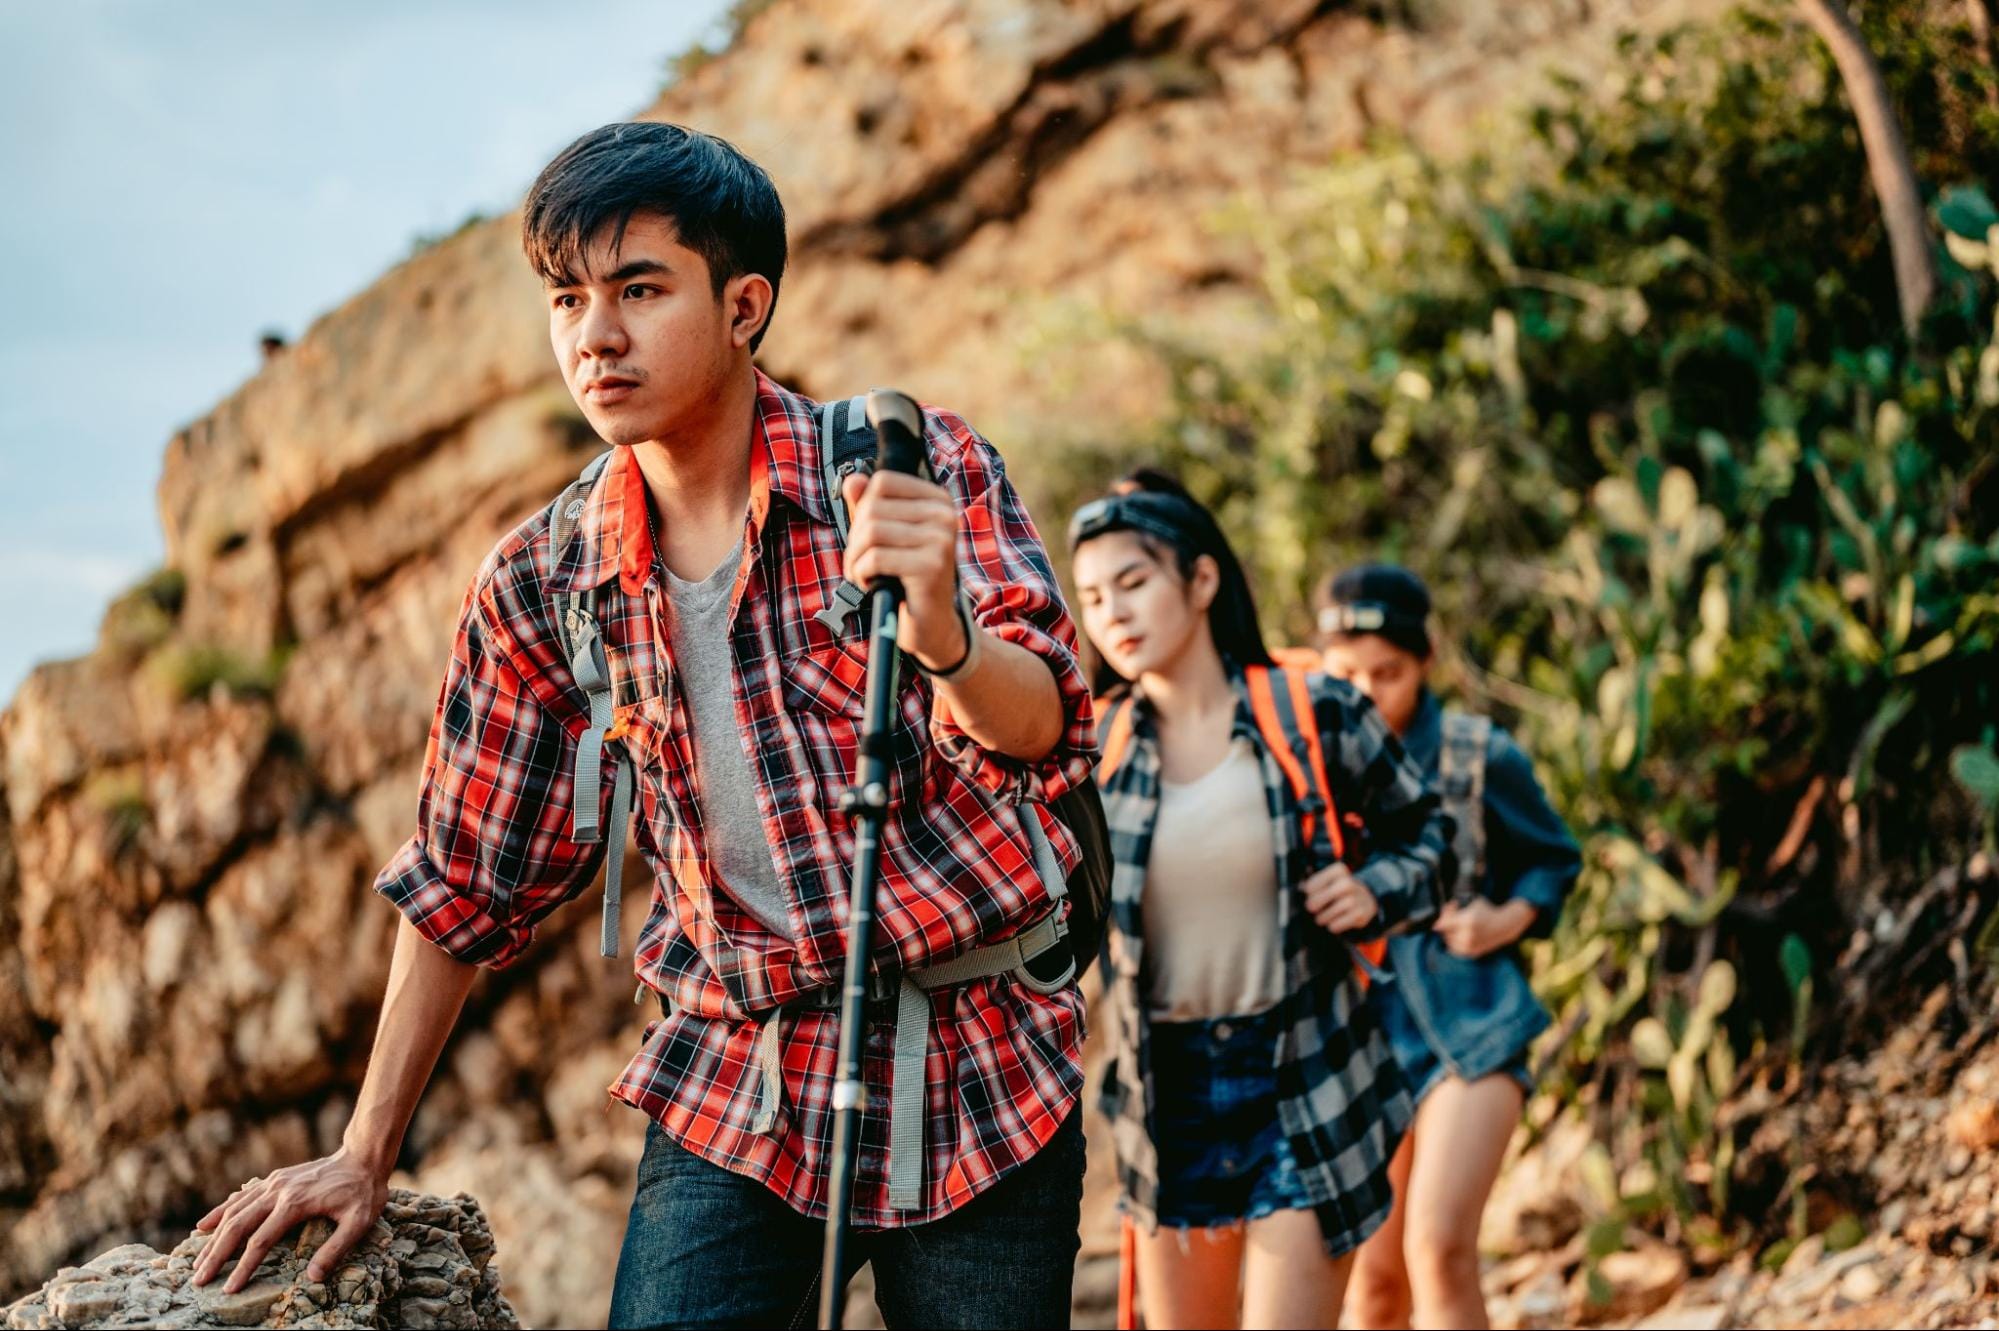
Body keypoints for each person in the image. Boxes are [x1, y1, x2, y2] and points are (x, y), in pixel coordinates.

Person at [190, 122, 1100, 1330]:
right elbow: (465, 879)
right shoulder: (544, 579)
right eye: (566, 299)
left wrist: (944, 636)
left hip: (980, 1064)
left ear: (743, 306)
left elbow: (1046, 730)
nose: (595, 336)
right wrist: (363, 1151)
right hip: (739, 1081)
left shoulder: (906, 465)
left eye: (639, 289)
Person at [1067, 472, 1454, 1331]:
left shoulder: (1313, 712)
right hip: (1166, 1097)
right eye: (1091, 597)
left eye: (1133, 581)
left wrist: (1372, 888)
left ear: (1201, 579)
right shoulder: (1094, 747)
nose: (1112, 613)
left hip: (1304, 1074)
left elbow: (1434, 839)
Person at [1320, 565, 1582, 1331]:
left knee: (1437, 1249)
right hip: (1356, 1043)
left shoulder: (1476, 752)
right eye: (1346, 674)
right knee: (1374, 1285)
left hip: (1470, 1024)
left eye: (1387, 674)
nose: (1366, 693)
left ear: (1425, 658)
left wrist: (1505, 918)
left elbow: (1553, 859)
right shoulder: (1306, 758)